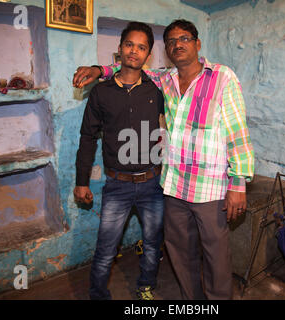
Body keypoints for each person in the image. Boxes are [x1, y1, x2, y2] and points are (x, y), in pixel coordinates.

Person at [73, 19, 254, 300]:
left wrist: (238, 183)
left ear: (197, 43)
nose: (177, 44)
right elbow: (127, 70)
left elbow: (238, 132)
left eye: (184, 38)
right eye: (171, 41)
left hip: (207, 188)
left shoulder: (220, 77)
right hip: (172, 186)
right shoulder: (163, 80)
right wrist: (99, 70)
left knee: (215, 259)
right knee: (180, 256)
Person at [74, 21, 165, 300]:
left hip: (153, 183)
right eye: (129, 44)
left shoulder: (158, 89)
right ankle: (98, 295)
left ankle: (146, 286)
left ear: (148, 54)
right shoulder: (101, 92)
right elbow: (87, 138)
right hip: (117, 185)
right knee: (105, 249)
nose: (134, 52)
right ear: (120, 48)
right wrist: (81, 182)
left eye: (141, 47)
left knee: (152, 244)